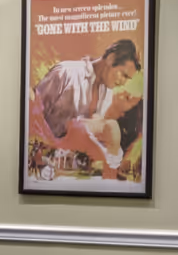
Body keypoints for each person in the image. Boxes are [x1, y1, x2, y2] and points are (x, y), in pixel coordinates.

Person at [32, 38, 145, 177]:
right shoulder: (65, 73)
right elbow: (32, 112)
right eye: (123, 74)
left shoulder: (107, 93)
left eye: (127, 79)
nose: (123, 82)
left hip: (64, 170)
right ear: (111, 58)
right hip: (39, 160)